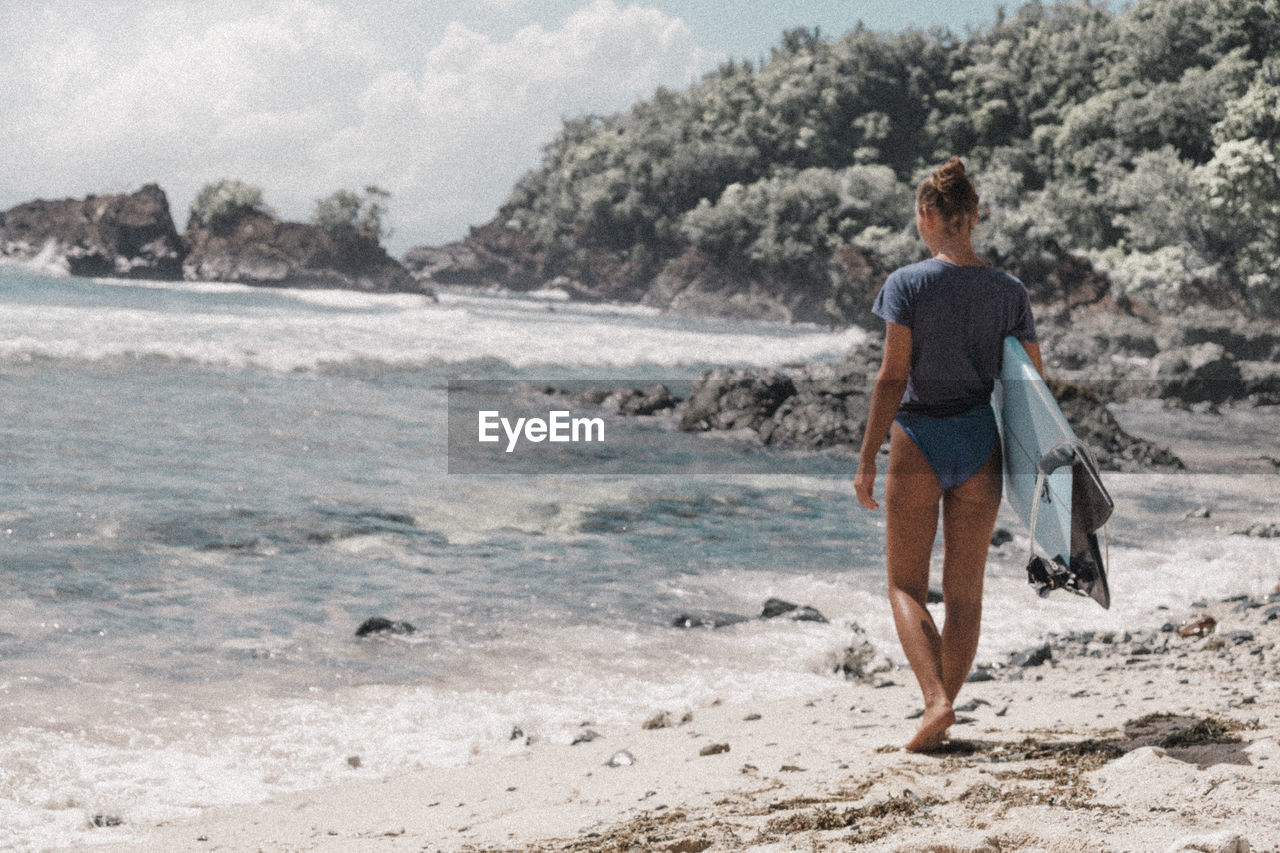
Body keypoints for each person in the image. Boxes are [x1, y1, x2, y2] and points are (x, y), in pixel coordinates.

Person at [853, 157, 1042, 753]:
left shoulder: (907, 284)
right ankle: (942, 713)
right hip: (979, 440)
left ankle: (935, 702)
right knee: (965, 596)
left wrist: (865, 459)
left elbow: (891, 378)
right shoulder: (1009, 291)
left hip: (920, 438)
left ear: (929, 214)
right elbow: (1030, 383)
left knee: (905, 586)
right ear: (974, 215)